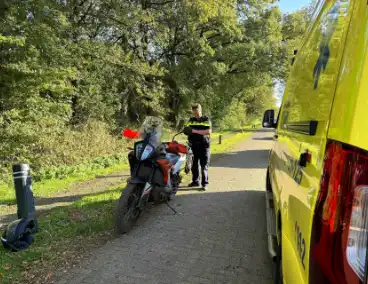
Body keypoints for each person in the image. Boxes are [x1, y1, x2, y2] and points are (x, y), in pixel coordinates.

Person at [186, 103, 212, 190]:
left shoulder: (205, 119)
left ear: (200, 110)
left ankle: (205, 184)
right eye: (194, 111)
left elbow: (208, 131)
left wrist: (194, 131)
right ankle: (195, 181)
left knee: (204, 165)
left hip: (204, 146)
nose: (195, 113)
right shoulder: (191, 120)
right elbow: (187, 129)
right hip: (193, 145)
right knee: (194, 165)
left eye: (197, 111)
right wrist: (186, 130)